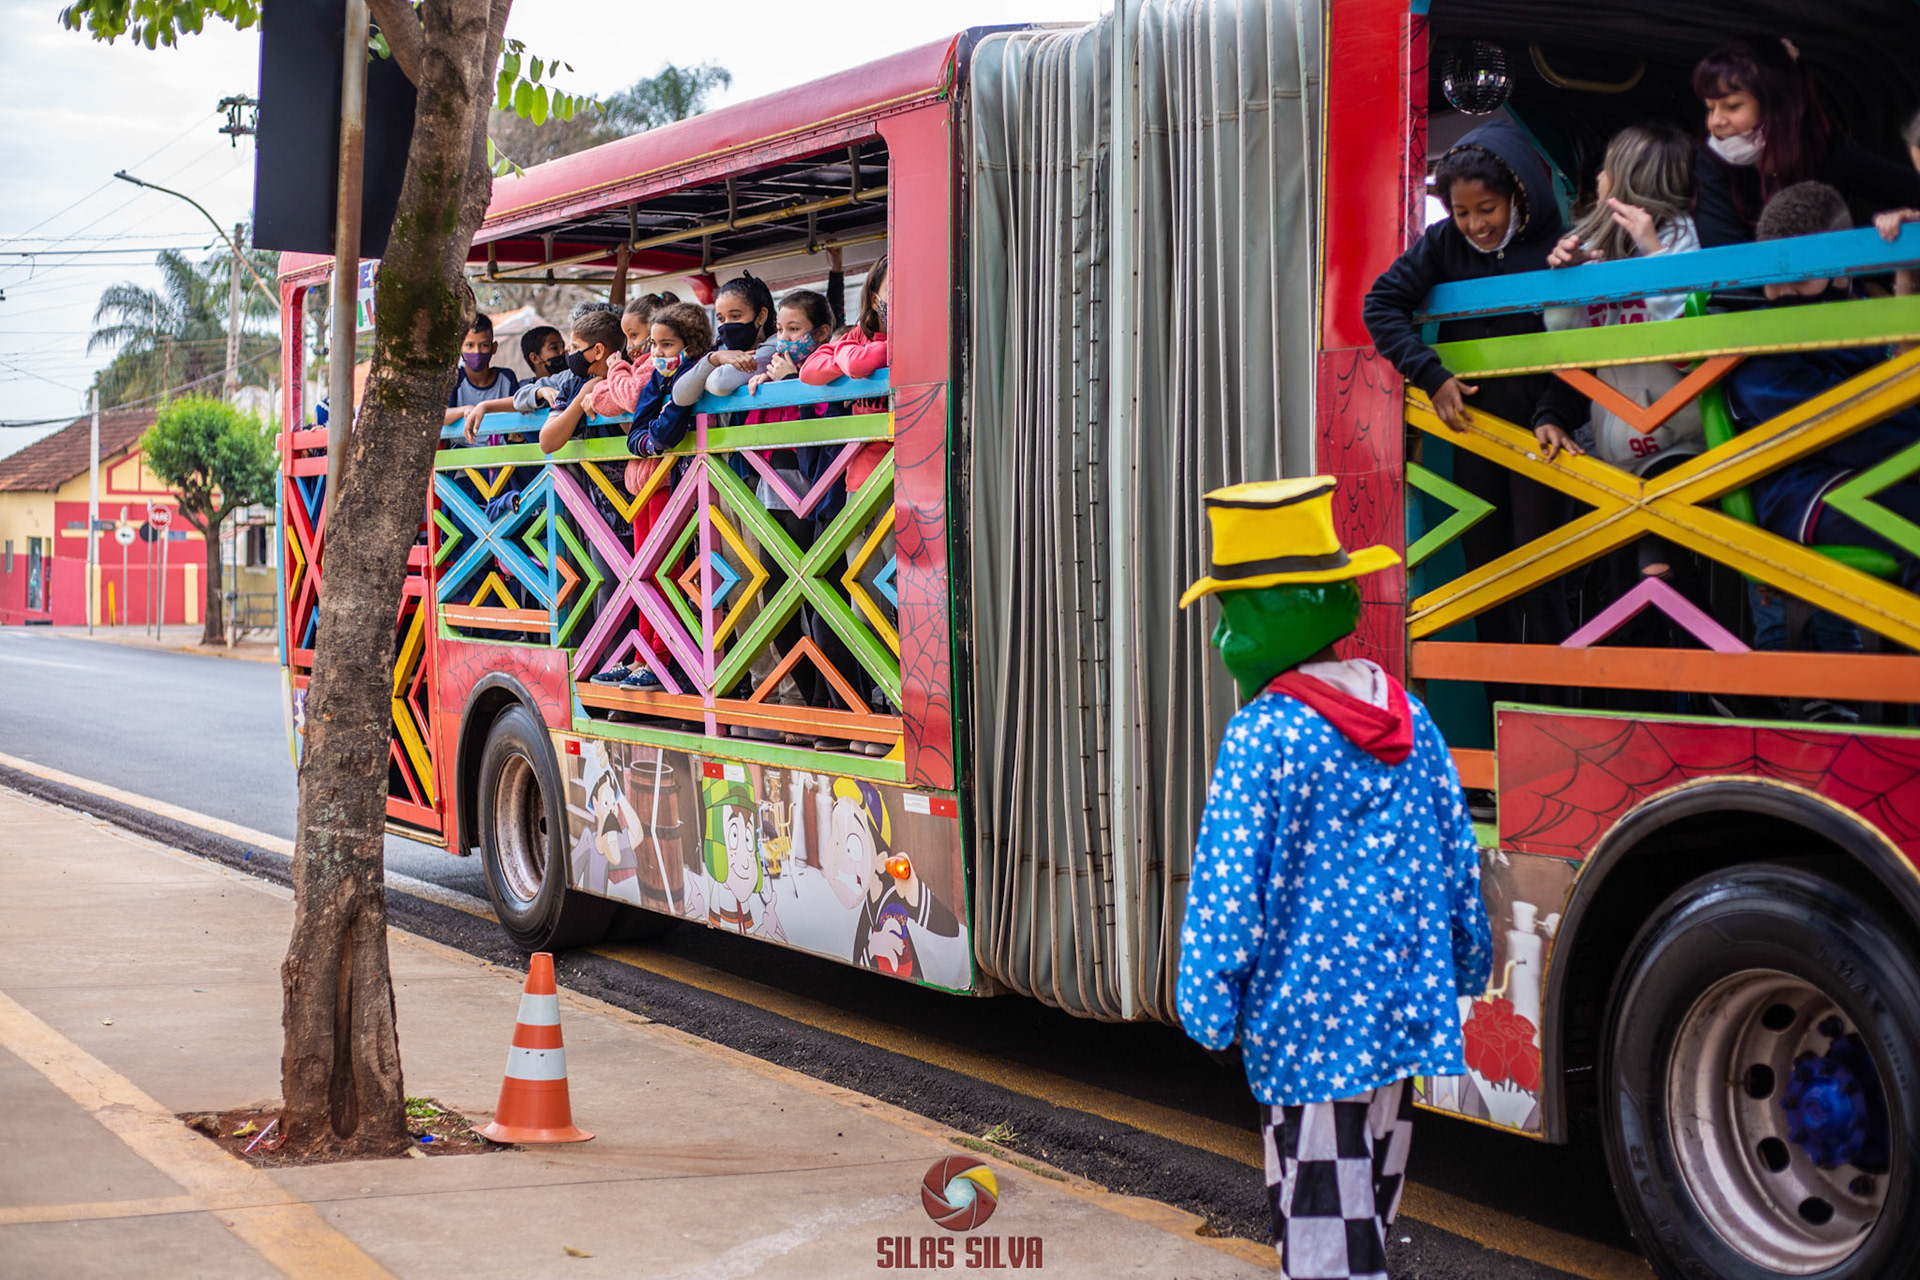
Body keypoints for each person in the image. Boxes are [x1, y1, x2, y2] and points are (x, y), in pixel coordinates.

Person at [1176, 477, 1491, 1280]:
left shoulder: (1264, 735)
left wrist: (1208, 1009)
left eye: (1230, 612)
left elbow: (1227, 895)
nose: (1221, 636)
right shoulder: (1411, 718)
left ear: (1271, 614)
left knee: (1325, 1252)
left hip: (1309, 1035)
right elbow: (1459, 861)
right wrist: (1464, 964)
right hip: (1397, 1024)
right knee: (1366, 1224)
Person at [1363, 121, 1586, 664]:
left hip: (1542, 432)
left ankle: (1555, 700)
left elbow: (1583, 343)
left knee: (1542, 571)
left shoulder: (1561, 248)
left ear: (1519, 196)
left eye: (1487, 208)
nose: (1474, 225)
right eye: (1461, 212)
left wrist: (1557, 411)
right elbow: (1381, 304)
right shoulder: (1444, 242)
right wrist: (1432, 375)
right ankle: (1497, 703)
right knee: (1484, 573)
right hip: (1474, 430)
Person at [1726, 182, 1920, 592]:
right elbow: (1843, 427)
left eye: (1801, 274)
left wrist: (1907, 263)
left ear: (1842, 268)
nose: (1783, 290)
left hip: (1881, 472)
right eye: (1773, 275)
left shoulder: (1868, 316)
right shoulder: (1759, 343)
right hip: (1805, 492)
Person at [1543, 123, 1704, 581]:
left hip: (1677, 443)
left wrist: (1654, 255)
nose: (1597, 177)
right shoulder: (1596, 246)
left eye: (1607, 168)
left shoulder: (1678, 239)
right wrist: (1565, 282)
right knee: (1623, 582)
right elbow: (1565, 343)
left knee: (1658, 570)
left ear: (1630, 179)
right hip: (1614, 449)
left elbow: (1689, 342)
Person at [1693, 39, 1920, 247]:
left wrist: (1907, 218)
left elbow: (1908, 187)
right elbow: (1721, 248)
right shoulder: (1712, 162)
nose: (1715, 122)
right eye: (1710, 109)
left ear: (1776, 106)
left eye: (1732, 106)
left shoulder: (1825, 152)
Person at [444, 313, 518, 429]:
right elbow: (439, 416)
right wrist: (465, 410)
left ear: (494, 348)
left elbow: (519, 404)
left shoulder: (506, 378)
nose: (477, 352)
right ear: (459, 348)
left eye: (484, 345)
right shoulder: (454, 379)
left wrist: (486, 407)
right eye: (470, 345)